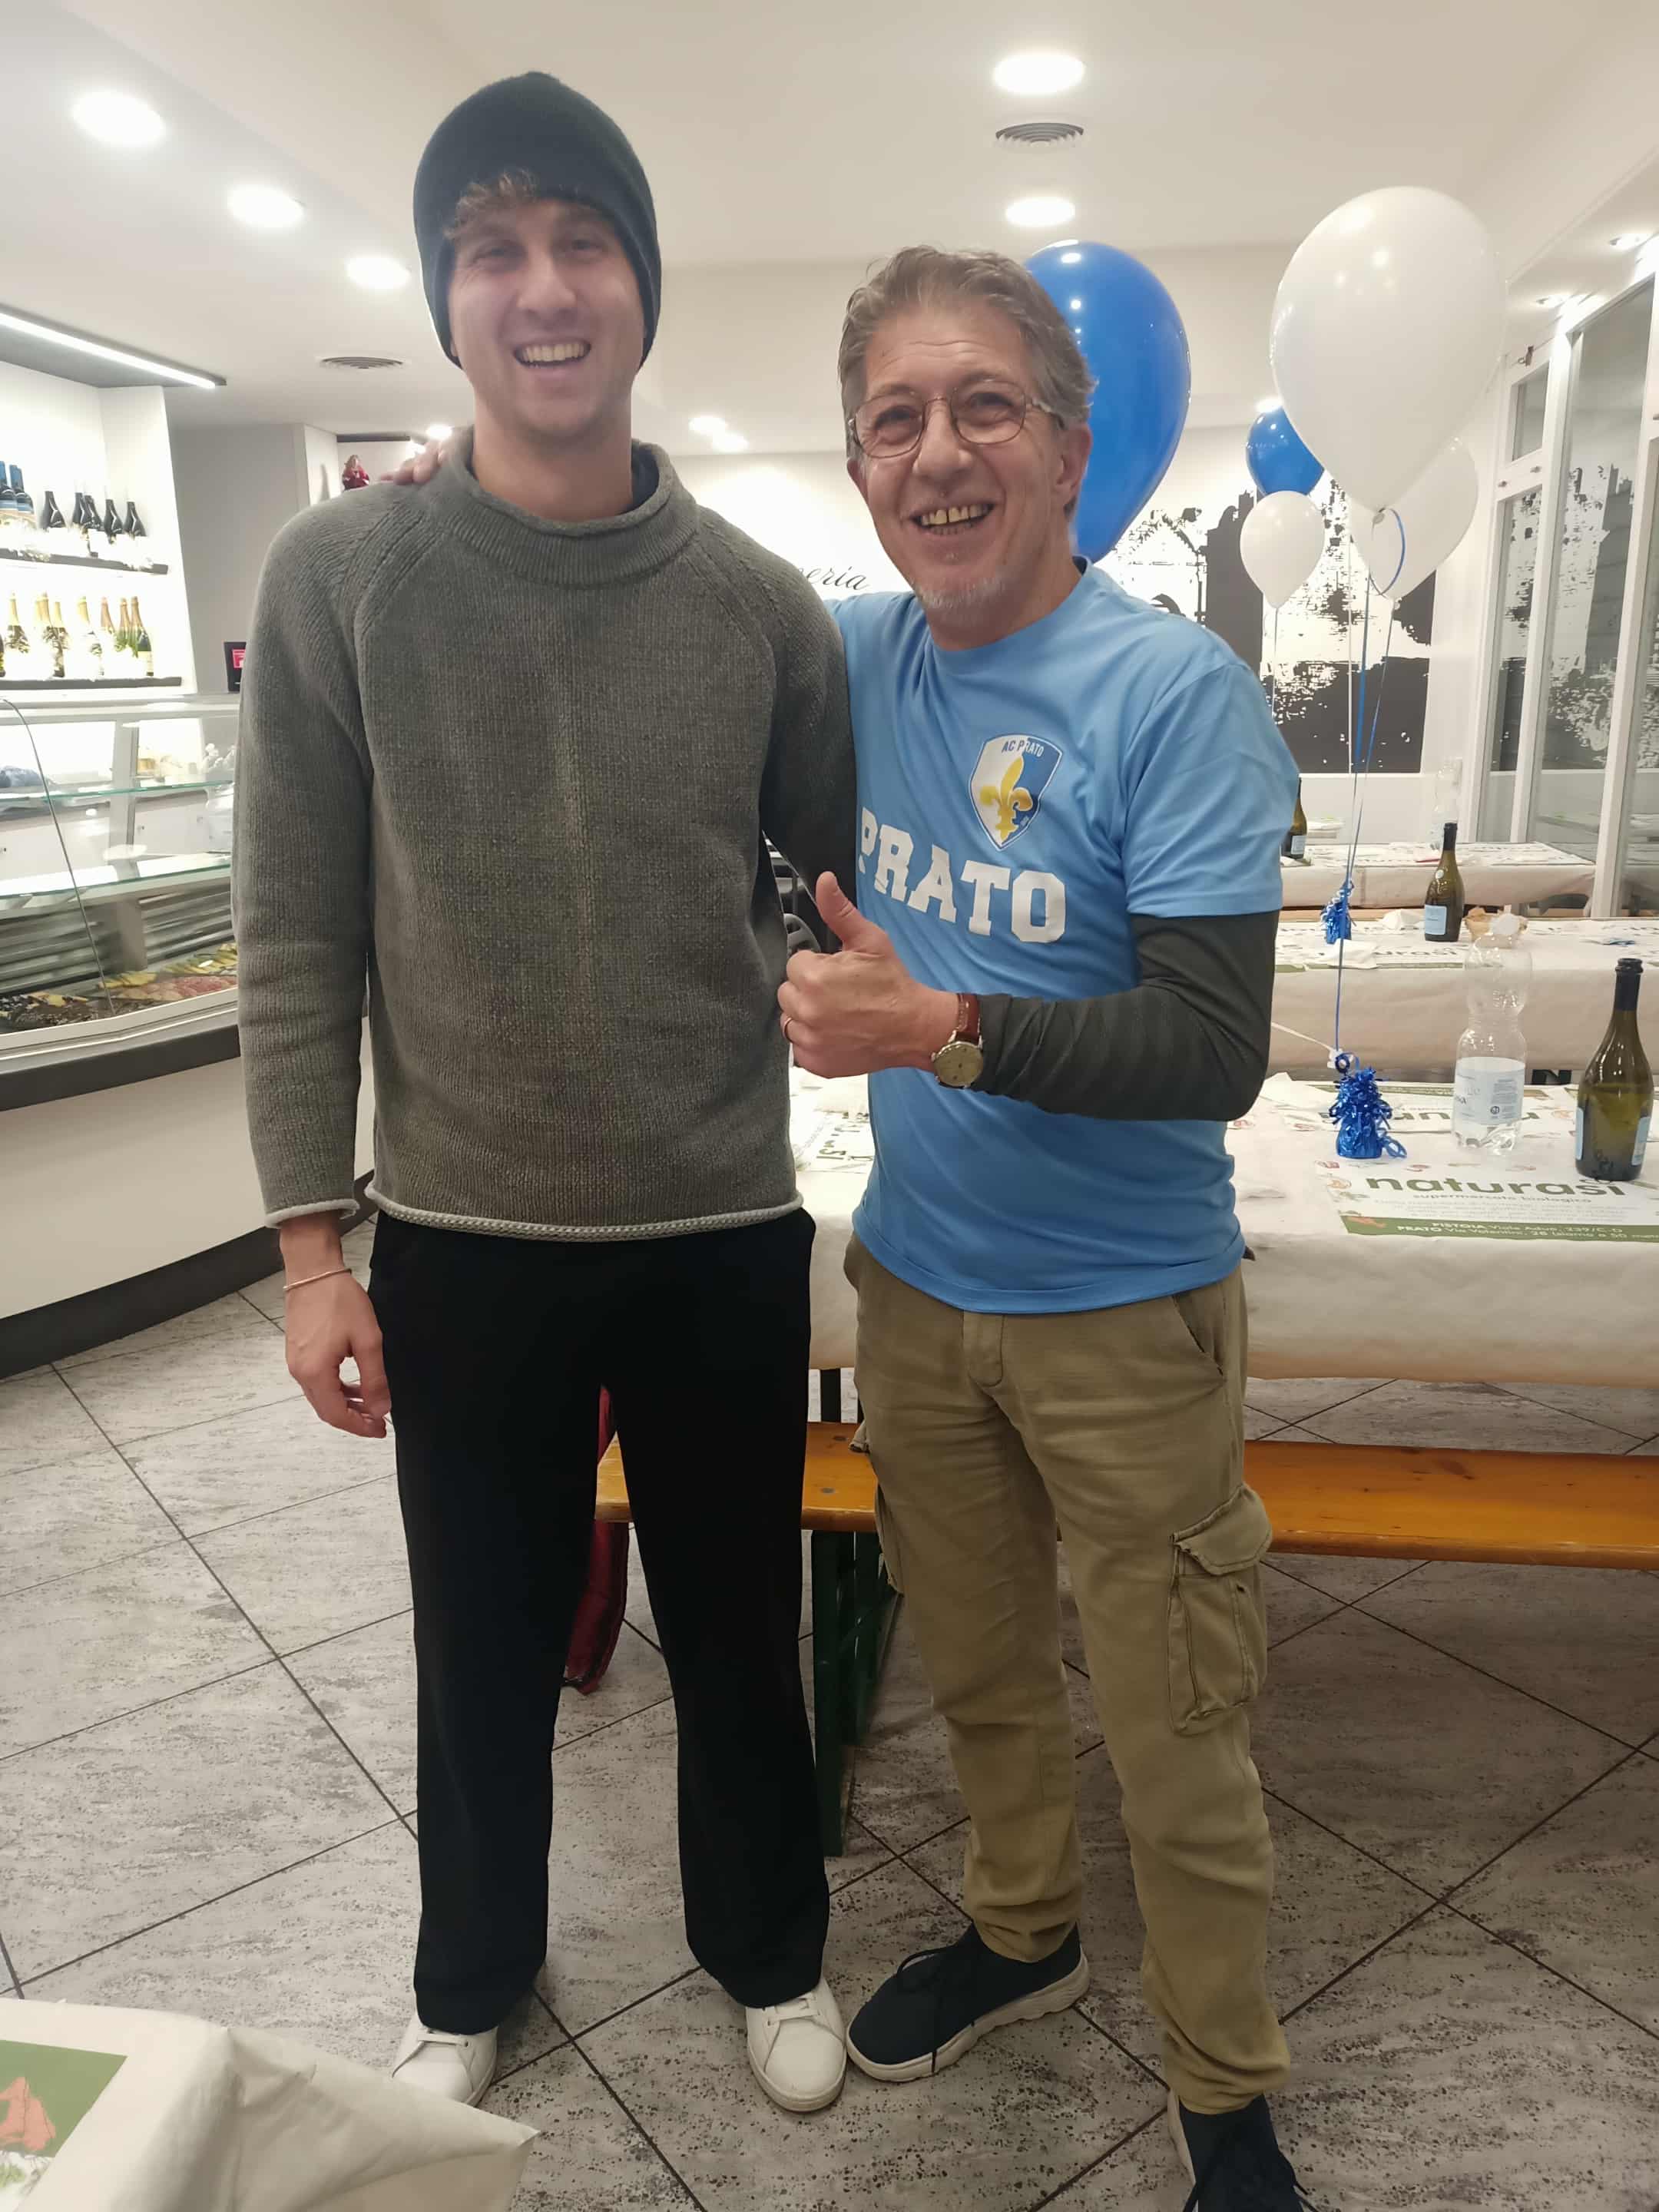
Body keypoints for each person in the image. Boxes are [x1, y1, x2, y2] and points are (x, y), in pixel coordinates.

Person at [233, 71, 854, 2116]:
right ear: (445, 299)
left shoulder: (763, 607)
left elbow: (820, 889)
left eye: (583, 241)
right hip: (464, 1234)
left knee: (740, 1630)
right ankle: (471, 1973)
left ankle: (769, 1950)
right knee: (479, 1644)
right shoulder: (342, 580)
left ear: (643, 286)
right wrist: (312, 1254)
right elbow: (294, 934)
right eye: (491, 248)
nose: (544, 287)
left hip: (719, 1222)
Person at [777, 248, 1312, 2210]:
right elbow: (644, 610)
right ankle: (1023, 1934)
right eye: (896, 419)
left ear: (1071, 451)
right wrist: (454, 503)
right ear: (861, 469)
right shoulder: (850, 658)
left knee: (1178, 1728)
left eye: (985, 405)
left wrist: (942, 1026)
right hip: (919, 1294)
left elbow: (1211, 1048)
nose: (939, 451)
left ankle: (1224, 2087)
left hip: (1125, 1315)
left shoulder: (1175, 696)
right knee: (984, 1671)